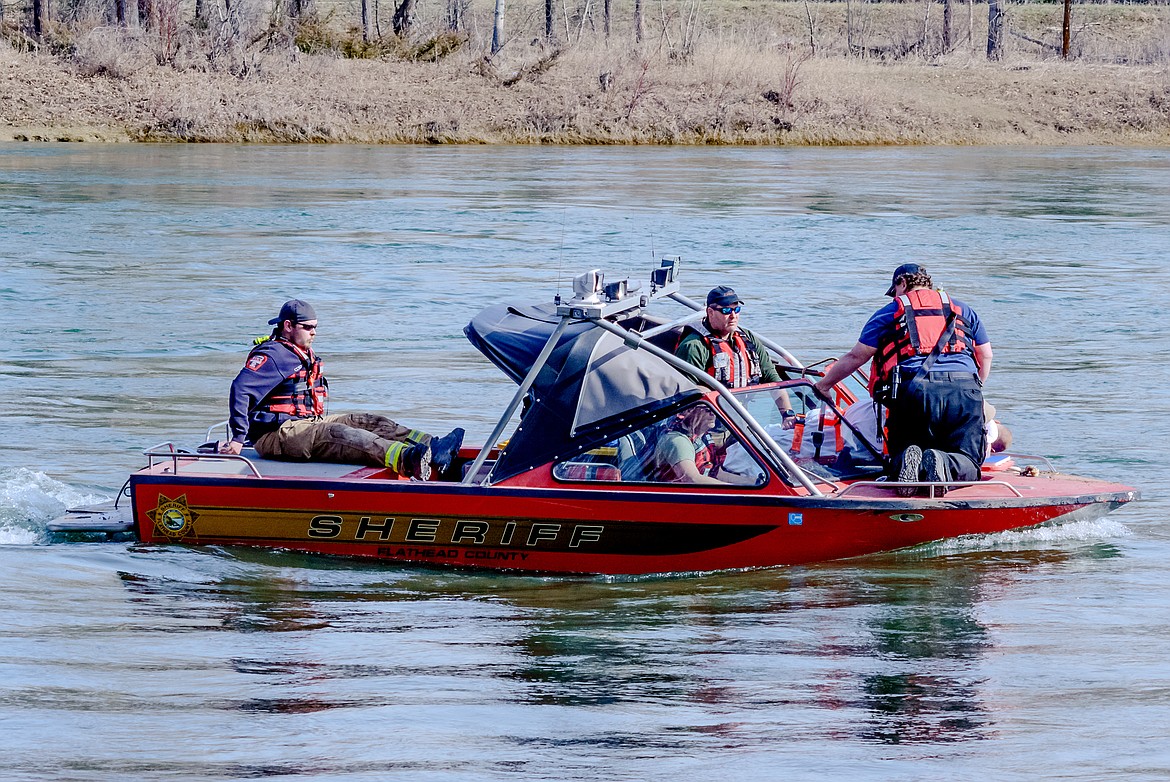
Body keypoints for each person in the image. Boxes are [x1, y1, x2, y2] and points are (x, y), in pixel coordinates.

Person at [218, 299, 464, 481]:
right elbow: (240, 390)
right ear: (288, 326)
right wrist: (239, 438)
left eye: (315, 327)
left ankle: (435, 448)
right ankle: (408, 460)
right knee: (338, 433)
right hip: (276, 434)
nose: (314, 332)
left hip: (305, 423)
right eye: (308, 327)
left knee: (365, 420)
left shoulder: (299, 352)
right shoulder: (274, 355)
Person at [813, 264, 992, 496]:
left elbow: (857, 356)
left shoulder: (889, 313)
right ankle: (944, 462)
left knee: (902, 452)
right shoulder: (963, 309)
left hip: (913, 392)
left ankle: (907, 462)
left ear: (903, 284)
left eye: (894, 290)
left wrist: (824, 385)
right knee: (968, 460)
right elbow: (985, 354)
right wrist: (973, 391)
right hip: (964, 388)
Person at [675, 285, 795, 417]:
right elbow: (684, 394)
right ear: (710, 312)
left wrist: (787, 413)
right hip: (706, 423)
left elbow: (772, 378)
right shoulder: (694, 346)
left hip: (741, 420)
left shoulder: (748, 338)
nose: (733, 316)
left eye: (736, 309)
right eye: (726, 310)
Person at [652, 405, 728, 485]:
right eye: (707, 410)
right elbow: (691, 479)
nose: (713, 414)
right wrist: (733, 491)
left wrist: (741, 484)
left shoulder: (703, 438)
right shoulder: (678, 440)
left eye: (714, 409)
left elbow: (716, 473)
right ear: (688, 411)